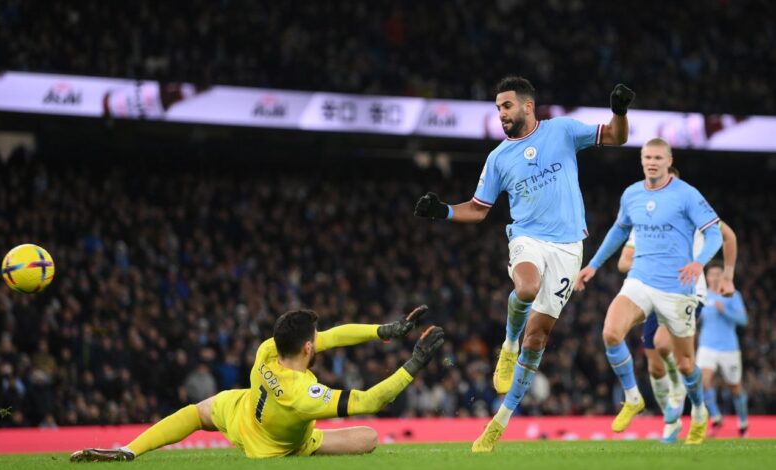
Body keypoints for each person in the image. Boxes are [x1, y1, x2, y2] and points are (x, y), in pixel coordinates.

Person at [414, 76, 634, 452]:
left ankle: (499, 422)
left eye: (507, 106)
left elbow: (617, 137)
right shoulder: (498, 157)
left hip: (568, 248)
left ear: (528, 106)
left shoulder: (562, 131)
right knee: (526, 288)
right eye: (498, 108)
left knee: (540, 337)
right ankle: (508, 343)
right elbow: (479, 209)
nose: (501, 114)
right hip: (528, 238)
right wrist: (444, 211)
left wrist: (619, 111)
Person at [70, 306, 444, 460]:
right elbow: (369, 400)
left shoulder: (268, 350)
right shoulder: (304, 395)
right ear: (308, 347)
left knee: (196, 412)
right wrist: (414, 363)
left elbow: (334, 336)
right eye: (317, 338)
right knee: (370, 437)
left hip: (242, 411)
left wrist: (385, 331)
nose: (323, 340)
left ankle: (130, 451)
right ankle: (301, 448)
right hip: (277, 446)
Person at [575, 137, 723, 445]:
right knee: (611, 333)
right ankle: (632, 398)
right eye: (647, 157)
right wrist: (593, 265)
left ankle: (698, 410)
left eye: (658, 157)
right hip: (640, 280)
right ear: (642, 160)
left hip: (678, 289)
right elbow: (619, 229)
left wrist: (699, 263)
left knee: (684, 364)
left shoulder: (687, 195)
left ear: (669, 161)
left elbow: (716, 235)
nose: (652, 162)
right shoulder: (632, 194)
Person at [616, 166, 738, 443]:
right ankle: (671, 423)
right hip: (653, 290)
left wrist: (728, 277)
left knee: (663, 344)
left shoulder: (696, 211)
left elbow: (729, 236)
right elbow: (623, 261)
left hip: (688, 292)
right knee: (655, 367)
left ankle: (689, 404)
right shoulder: (646, 220)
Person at [697, 261, 748, 437]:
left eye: (719, 274)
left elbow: (743, 321)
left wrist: (724, 311)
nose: (715, 277)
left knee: (735, 387)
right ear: (707, 277)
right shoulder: (702, 296)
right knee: (703, 382)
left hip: (728, 348)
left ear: (724, 276)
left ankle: (742, 423)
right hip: (707, 346)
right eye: (712, 274)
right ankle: (716, 417)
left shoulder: (732, 295)